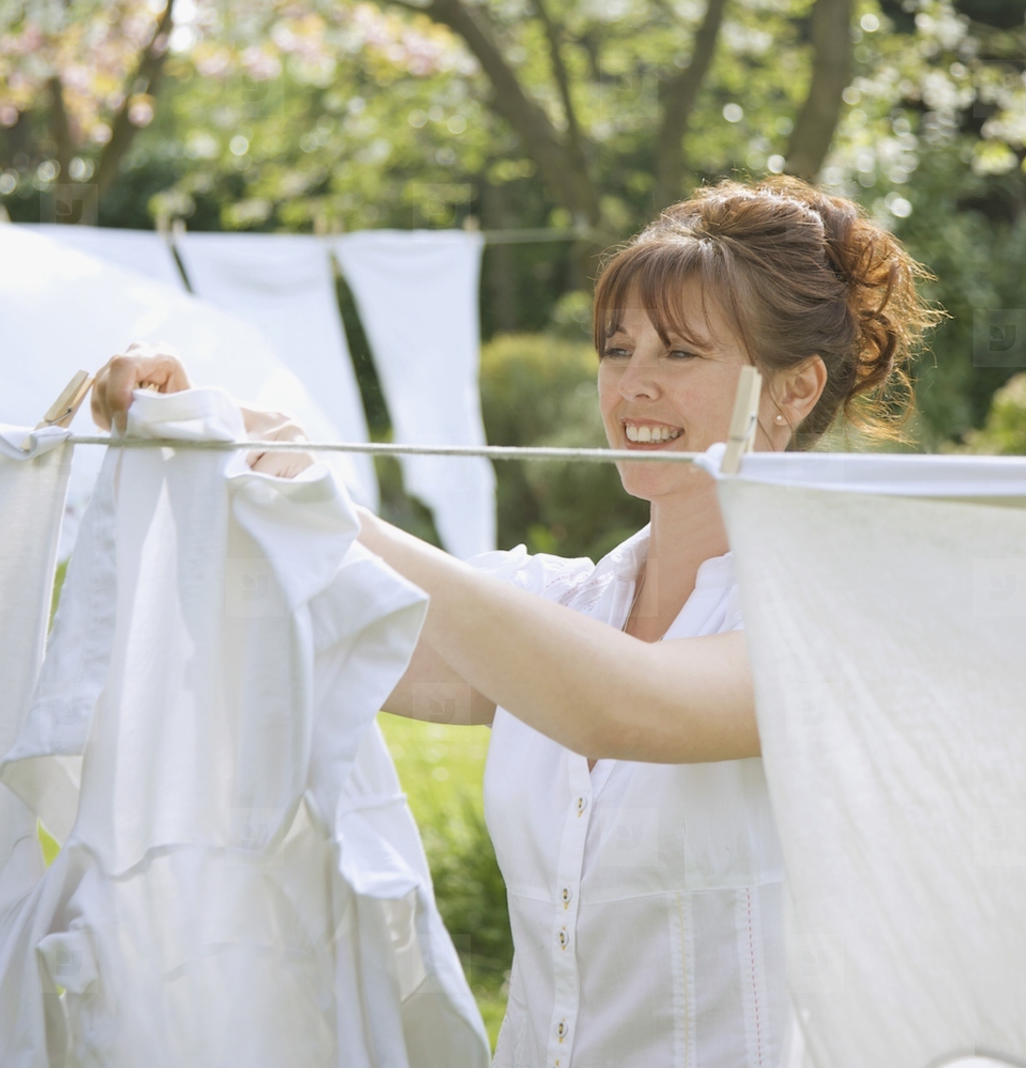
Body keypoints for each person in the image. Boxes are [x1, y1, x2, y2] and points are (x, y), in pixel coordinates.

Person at [90, 176, 938, 1068]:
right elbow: (308, 621)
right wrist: (203, 437)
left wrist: (332, 505)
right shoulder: (563, 606)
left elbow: (624, 703)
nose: (633, 387)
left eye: (680, 354)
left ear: (795, 389)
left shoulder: (823, 624)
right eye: (617, 350)